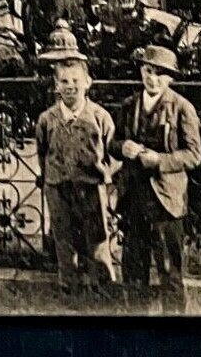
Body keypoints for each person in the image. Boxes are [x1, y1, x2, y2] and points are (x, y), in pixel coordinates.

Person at [110, 44, 201, 313]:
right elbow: (113, 143)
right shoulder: (129, 105)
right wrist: (122, 146)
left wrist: (161, 161)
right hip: (134, 199)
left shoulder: (182, 108)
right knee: (133, 268)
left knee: (169, 272)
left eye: (160, 74)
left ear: (170, 78)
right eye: (148, 71)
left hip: (166, 201)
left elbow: (194, 155)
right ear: (141, 71)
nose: (152, 78)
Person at [33, 22, 117, 299]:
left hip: (90, 187)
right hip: (58, 187)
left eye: (76, 82)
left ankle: (100, 285)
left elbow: (111, 150)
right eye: (64, 82)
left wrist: (105, 173)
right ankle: (67, 285)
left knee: (96, 237)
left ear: (87, 83)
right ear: (56, 86)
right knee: (64, 237)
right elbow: (42, 149)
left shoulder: (99, 117)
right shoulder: (47, 119)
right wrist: (50, 177)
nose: (70, 87)